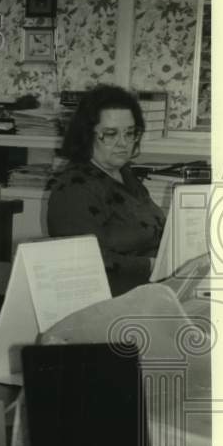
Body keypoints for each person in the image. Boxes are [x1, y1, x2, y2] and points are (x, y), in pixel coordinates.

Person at [47, 84, 165, 296]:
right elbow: (86, 261)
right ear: (87, 135)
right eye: (110, 134)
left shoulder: (125, 175)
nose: (123, 143)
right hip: (106, 301)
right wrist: (151, 264)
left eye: (130, 133)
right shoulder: (74, 190)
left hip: (147, 291)